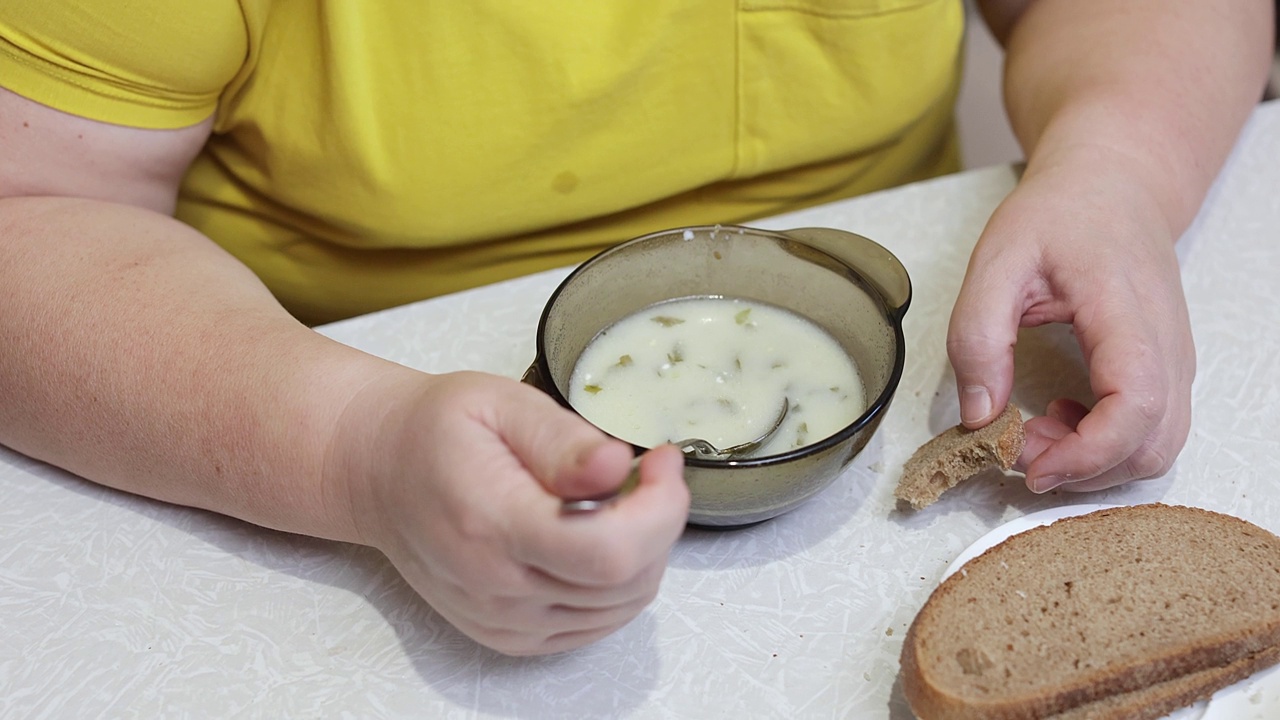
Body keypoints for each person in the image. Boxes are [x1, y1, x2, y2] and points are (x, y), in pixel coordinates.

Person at [0, 1, 1271, 656]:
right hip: (303, 442)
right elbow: (32, 206)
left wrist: (1114, 165)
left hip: (893, 410)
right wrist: (348, 448)